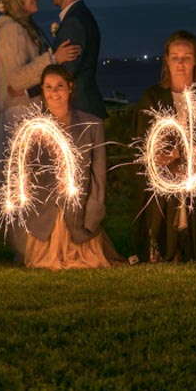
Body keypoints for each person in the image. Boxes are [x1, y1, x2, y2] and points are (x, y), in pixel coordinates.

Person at [0, 0, 80, 259]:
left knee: (35, 182)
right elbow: (16, 80)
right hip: (19, 118)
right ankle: (25, 248)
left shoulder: (24, 30)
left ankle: (37, 243)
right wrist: (52, 59)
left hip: (28, 113)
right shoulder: (10, 33)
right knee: (22, 184)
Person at [132, 30, 196, 265]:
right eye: (175, 57)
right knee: (170, 182)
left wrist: (188, 156)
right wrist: (170, 158)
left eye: (186, 57)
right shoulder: (153, 97)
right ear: (166, 60)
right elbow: (145, 147)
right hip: (166, 171)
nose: (180, 63)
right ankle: (169, 247)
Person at [21, 64, 124, 269]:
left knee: (89, 261)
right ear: (42, 90)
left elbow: (98, 174)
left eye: (59, 86)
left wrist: (95, 208)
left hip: (79, 210)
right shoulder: (33, 128)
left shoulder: (92, 125)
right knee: (43, 263)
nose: (54, 92)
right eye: (48, 87)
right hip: (47, 212)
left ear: (70, 87)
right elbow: (27, 173)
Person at [49, 0, 106, 119]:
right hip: (85, 110)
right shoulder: (83, 15)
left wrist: (27, 90)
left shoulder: (74, 22)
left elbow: (66, 72)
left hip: (79, 112)